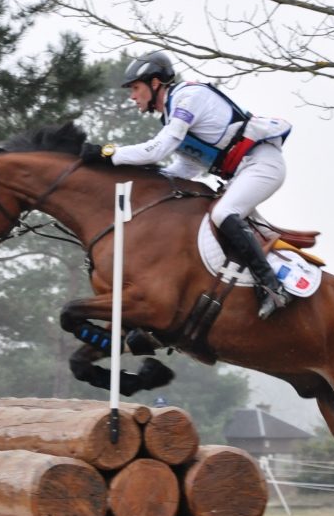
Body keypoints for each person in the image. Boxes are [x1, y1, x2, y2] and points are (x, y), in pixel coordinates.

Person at [80, 50, 294, 319]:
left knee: (222, 214)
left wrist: (108, 153)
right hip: (243, 173)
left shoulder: (187, 98)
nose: (132, 96)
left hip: (262, 164)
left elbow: (157, 150)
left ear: (155, 83)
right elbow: (186, 168)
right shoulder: (172, 114)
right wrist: (147, 184)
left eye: (135, 88)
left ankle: (273, 288)